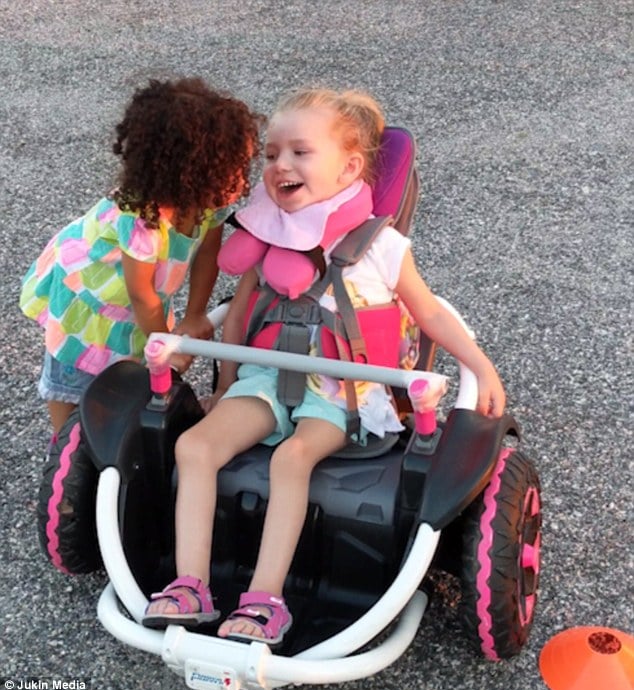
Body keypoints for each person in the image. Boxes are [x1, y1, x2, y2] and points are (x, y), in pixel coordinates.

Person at [143, 87, 506, 645]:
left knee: (293, 459)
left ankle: (264, 603)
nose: (280, 164)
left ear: (350, 169)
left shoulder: (381, 247)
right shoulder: (268, 235)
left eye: (300, 152)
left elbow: (428, 311)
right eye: (270, 154)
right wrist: (225, 383)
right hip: (264, 377)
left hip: (345, 391)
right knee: (194, 446)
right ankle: (189, 587)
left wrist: (480, 366)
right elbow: (241, 317)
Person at [20, 77, 262, 435]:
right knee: (72, 383)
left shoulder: (208, 202)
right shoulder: (142, 219)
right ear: (189, 173)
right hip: (89, 302)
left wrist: (196, 314)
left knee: (128, 384)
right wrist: (161, 346)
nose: (241, 184)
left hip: (136, 309)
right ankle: (63, 461)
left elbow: (208, 252)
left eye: (242, 169)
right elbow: (140, 293)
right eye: (230, 171)